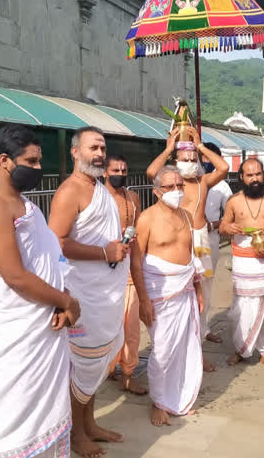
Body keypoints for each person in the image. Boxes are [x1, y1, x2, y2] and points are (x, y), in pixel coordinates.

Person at [0, 125, 81, 458]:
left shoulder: (21, 202)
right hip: (15, 339)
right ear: (4, 160)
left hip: (41, 328)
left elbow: (47, 258)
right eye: (30, 161)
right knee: (12, 427)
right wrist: (67, 300)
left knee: (43, 421)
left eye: (39, 160)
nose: (37, 168)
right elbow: (15, 277)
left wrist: (61, 296)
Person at [48, 126, 131, 458]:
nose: (99, 153)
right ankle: (75, 434)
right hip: (85, 294)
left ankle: (90, 423)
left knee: (95, 365)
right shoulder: (71, 191)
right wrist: (104, 253)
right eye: (93, 147)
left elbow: (100, 238)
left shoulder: (98, 188)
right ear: (75, 152)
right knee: (81, 365)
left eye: (102, 148)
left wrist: (119, 244)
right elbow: (57, 243)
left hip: (106, 292)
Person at [146, 127, 229, 370]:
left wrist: (200, 146)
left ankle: (198, 348)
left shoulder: (203, 181)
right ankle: (174, 348)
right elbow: (152, 172)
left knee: (204, 296)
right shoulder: (174, 185)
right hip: (178, 241)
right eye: (186, 158)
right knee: (180, 297)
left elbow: (223, 168)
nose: (191, 162)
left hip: (202, 241)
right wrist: (169, 148)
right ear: (175, 162)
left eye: (194, 159)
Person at [135, 165, 204, 427]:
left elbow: (192, 259)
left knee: (186, 346)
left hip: (185, 291)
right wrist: (143, 299)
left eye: (179, 185)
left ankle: (179, 397)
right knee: (163, 350)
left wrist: (197, 291)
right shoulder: (147, 219)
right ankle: (159, 401)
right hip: (158, 294)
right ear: (156, 191)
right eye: (169, 186)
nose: (176, 190)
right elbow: (136, 261)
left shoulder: (187, 216)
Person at [219, 158, 264, 371]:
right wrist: (231, 228)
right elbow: (223, 227)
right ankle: (241, 349)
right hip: (243, 261)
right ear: (241, 178)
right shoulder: (234, 201)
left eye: (258, 174)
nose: (255, 179)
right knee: (242, 308)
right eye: (250, 175)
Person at [103, 154, 154, 396]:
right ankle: (108, 367)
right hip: (103, 272)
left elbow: (140, 231)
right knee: (108, 326)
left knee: (131, 328)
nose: (120, 174)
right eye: (115, 170)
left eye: (124, 170)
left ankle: (128, 374)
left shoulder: (132, 199)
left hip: (130, 270)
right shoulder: (97, 199)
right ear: (104, 172)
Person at [201, 142, 232, 272]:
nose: (206, 162)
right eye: (203, 157)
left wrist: (213, 225)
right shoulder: (186, 182)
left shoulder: (222, 186)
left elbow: (231, 214)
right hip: (188, 238)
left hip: (210, 237)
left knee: (207, 279)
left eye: (210, 158)